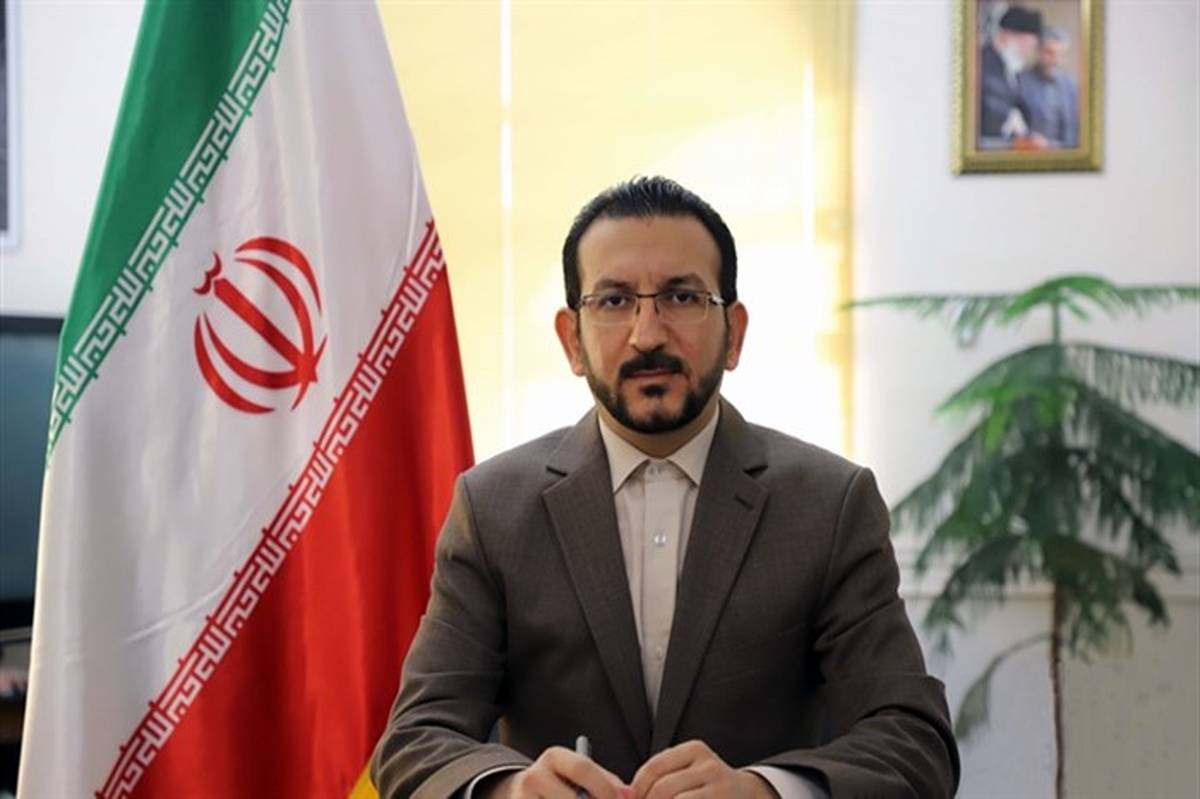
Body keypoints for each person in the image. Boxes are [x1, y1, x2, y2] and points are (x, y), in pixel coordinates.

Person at [371, 177, 959, 799]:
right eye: (614, 300)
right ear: (572, 340)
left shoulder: (829, 504)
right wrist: (509, 790)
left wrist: (767, 791)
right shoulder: (493, 508)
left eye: (682, 297)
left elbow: (911, 742)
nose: (647, 334)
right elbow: (416, 740)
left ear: (734, 332)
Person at [979, 5, 1042, 145]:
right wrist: (1007, 118)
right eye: (1027, 45)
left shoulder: (1014, 70)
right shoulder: (980, 63)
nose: (1028, 53)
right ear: (1006, 36)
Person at [1019, 26, 1080, 149]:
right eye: (1050, 53)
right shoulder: (1020, 82)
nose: (1056, 60)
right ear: (1038, 51)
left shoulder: (1070, 85)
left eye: (1061, 55)